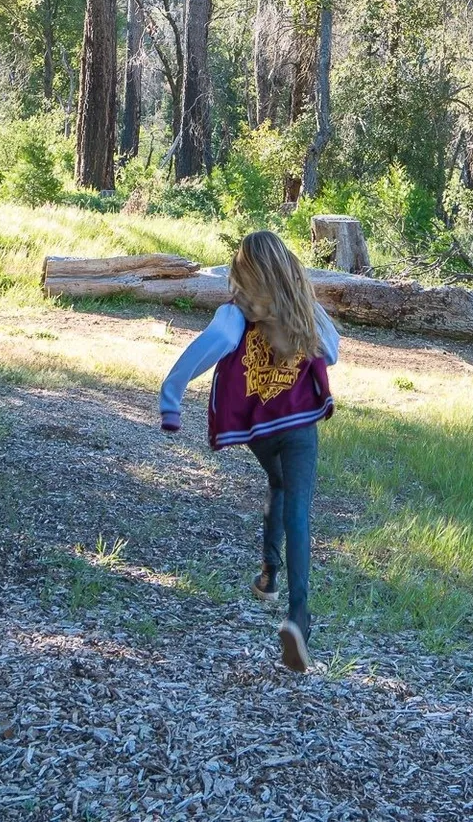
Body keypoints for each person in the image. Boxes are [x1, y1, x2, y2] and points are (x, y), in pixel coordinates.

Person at [158, 230, 339, 672]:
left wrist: (172, 400)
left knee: (275, 484)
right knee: (296, 505)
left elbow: (207, 349)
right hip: (299, 423)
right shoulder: (302, 308)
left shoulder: (235, 316)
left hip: (259, 428)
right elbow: (331, 352)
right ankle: (298, 617)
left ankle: (268, 576)